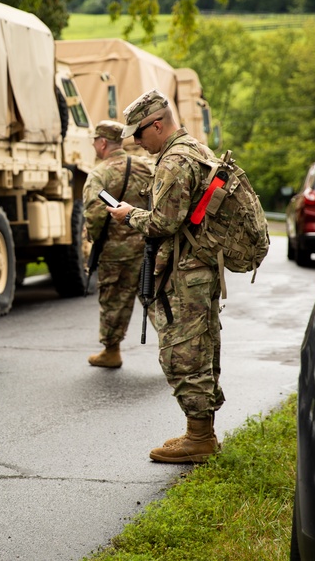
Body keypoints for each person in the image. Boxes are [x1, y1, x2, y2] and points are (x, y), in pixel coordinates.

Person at [106, 89, 224, 464]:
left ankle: (200, 438)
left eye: (139, 135)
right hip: (200, 267)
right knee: (201, 347)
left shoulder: (175, 160)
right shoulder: (199, 149)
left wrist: (128, 214)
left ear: (157, 124)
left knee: (182, 352)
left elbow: (163, 222)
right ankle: (200, 432)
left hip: (185, 271)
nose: (137, 144)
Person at [82, 120, 152, 368]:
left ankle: (111, 351)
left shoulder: (99, 174)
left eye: (94, 141)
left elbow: (94, 214)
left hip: (115, 252)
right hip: (149, 247)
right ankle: (175, 353)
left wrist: (94, 240)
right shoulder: (146, 166)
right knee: (157, 299)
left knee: (113, 300)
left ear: (102, 143)